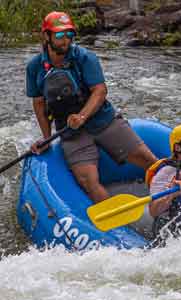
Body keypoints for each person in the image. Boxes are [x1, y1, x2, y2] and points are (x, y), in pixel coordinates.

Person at [26, 11, 157, 203]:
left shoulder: (85, 57)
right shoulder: (35, 67)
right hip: (71, 132)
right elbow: (38, 103)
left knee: (148, 160)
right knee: (88, 181)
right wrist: (46, 138)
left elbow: (100, 91)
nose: (66, 41)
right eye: (60, 35)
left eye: (69, 35)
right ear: (46, 36)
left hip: (103, 120)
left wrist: (82, 117)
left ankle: (176, 196)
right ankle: (118, 229)